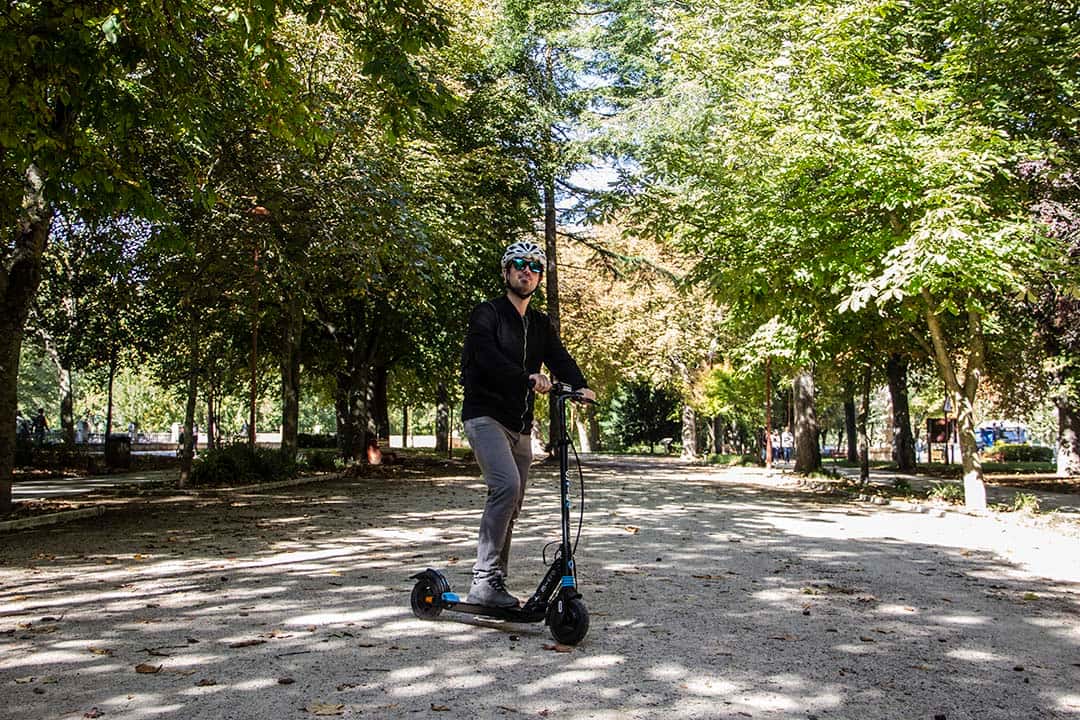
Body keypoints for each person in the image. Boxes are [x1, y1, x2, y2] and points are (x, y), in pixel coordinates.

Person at [459, 241, 595, 608]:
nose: (527, 271)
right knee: (505, 487)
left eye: (534, 267)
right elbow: (484, 357)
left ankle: (494, 583)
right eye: (519, 264)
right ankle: (482, 580)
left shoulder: (539, 324)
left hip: (519, 425)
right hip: (485, 415)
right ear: (506, 272)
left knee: (513, 501)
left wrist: (580, 385)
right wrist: (527, 378)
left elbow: (559, 357)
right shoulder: (487, 314)